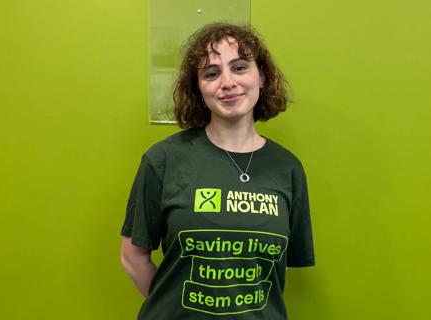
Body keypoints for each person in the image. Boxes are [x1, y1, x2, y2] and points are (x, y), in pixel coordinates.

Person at [120, 22, 315, 320]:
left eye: (239, 68)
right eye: (211, 74)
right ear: (198, 89)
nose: (227, 82)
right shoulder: (163, 160)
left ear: (261, 76)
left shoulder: (287, 168)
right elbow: (132, 257)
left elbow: (276, 267)